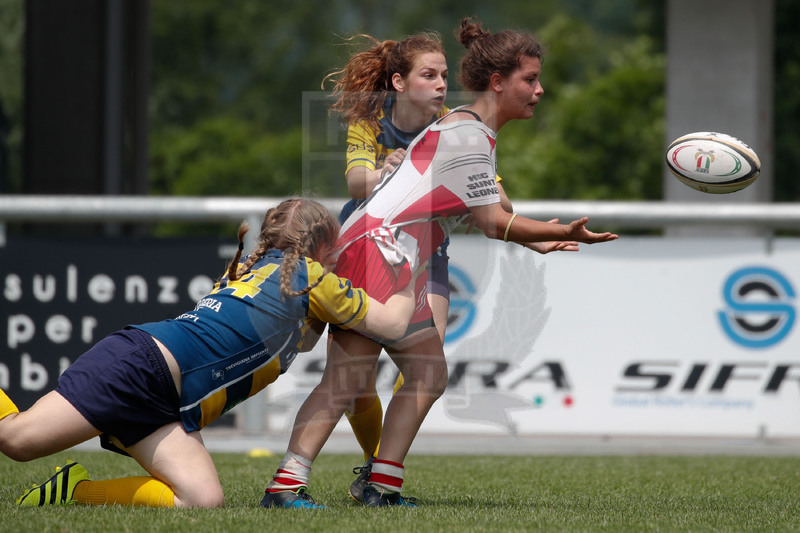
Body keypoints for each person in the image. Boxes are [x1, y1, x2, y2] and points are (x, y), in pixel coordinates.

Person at [262, 17, 618, 508]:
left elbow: (491, 209)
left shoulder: (468, 131)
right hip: (376, 254)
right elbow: (494, 221)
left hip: (393, 257)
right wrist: (558, 232)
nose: (540, 89)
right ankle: (286, 486)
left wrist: (535, 240)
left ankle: (381, 487)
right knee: (346, 379)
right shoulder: (467, 135)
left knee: (427, 372)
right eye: (529, 79)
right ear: (498, 82)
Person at [0, 198, 424, 509]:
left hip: (169, 398)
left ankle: (74, 490)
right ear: (321, 246)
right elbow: (391, 324)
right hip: (139, 368)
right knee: (15, 439)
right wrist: (413, 266)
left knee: (201, 500)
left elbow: (303, 337)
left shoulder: (249, 268)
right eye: (334, 249)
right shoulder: (308, 275)